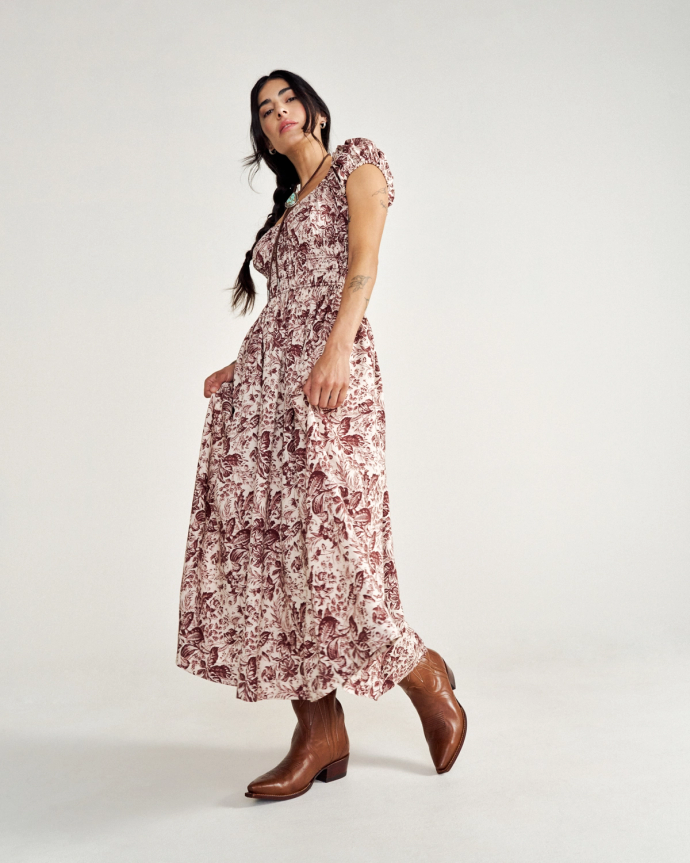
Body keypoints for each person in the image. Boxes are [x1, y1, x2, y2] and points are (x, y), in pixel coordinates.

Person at [176, 69, 467, 801]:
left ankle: (423, 673)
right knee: (276, 557)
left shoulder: (356, 163)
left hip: (330, 378)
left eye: (286, 100)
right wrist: (237, 367)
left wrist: (337, 347)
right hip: (266, 394)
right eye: (264, 111)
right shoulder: (282, 213)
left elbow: (362, 265)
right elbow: (280, 311)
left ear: (313, 108)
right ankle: (319, 728)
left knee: (339, 544)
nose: (277, 115)